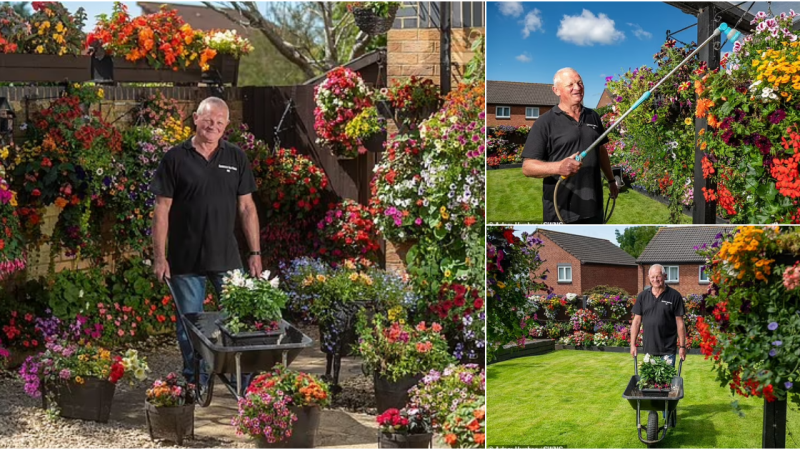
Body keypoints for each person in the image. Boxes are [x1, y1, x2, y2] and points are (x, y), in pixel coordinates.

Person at [150, 96, 262, 384]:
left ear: (226, 126)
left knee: (240, 320)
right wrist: (160, 257)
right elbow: (161, 209)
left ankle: (241, 380)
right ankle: (196, 380)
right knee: (190, 325)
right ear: (196, 119)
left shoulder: (236, 157)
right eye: (208, 120)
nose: (213, 126)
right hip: (184, 260)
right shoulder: (174, 158)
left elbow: (247, 208)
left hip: (226, 257)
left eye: (219, 122)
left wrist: (255, 252)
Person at [521, 67, 619, 224]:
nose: (578, 88)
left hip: (594, 208)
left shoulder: (593, 116)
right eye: (570, 84)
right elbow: (527, 167)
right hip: (562, 211)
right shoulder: (544, 123)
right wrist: (558, 168)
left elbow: (600, 151)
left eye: (580, 83)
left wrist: (611, 180)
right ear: (556, 90)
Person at [630, 264, 687, 364]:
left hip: (668, 351)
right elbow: (636, 322)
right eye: (652, 277)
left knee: (666, 380)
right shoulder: (643, 296)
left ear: (665, 276)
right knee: (648, 380)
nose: (655, 279)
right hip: (649, 351)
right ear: (649, 278)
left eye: (658, 276)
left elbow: (680, 323)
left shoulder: (675, 296)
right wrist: (632, 344)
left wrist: (682, 346)